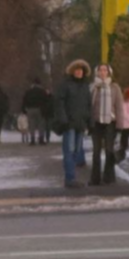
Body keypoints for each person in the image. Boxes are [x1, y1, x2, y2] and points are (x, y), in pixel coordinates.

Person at [53, 60, 92, 189]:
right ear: (72, 71)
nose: (79, 72)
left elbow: (88, 104)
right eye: (76, 69)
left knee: (76, 152)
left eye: (81, 70)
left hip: (80, 124)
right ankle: (70, 178)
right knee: (69, 151)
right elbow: (59, 103)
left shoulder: (86, 86)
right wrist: (64, 120)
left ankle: (72, 178)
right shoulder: (66, 85)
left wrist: (88, 121)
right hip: (69, 124)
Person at [90, 64, 124, 186]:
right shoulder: (94, 87)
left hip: (110, 123)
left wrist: (120, 125)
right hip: (96, 123)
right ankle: (95, 179)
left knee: (109, 151)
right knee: (96, 151)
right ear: (97, 72)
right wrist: (89, 123)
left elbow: (119, 107)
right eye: (100, 70)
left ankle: (109, 178)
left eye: (105, 70)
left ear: (109, 73)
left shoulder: (115, 88)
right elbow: (90, 106)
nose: (102, 72)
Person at [22, 78, 48, 146]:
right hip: (40, 109)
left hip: (30, 109)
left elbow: (24, 100)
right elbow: (46, 101)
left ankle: (32, 139)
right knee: (41, 125)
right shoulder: (42, 91)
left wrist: (24, 109)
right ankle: (41, 139)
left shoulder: (29, 91)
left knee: (31, 125)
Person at [117, 87, 129, 163]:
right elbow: (124, 113)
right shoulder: (124, 102)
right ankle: (122, 153)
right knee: (124, 139)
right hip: (126, 124)